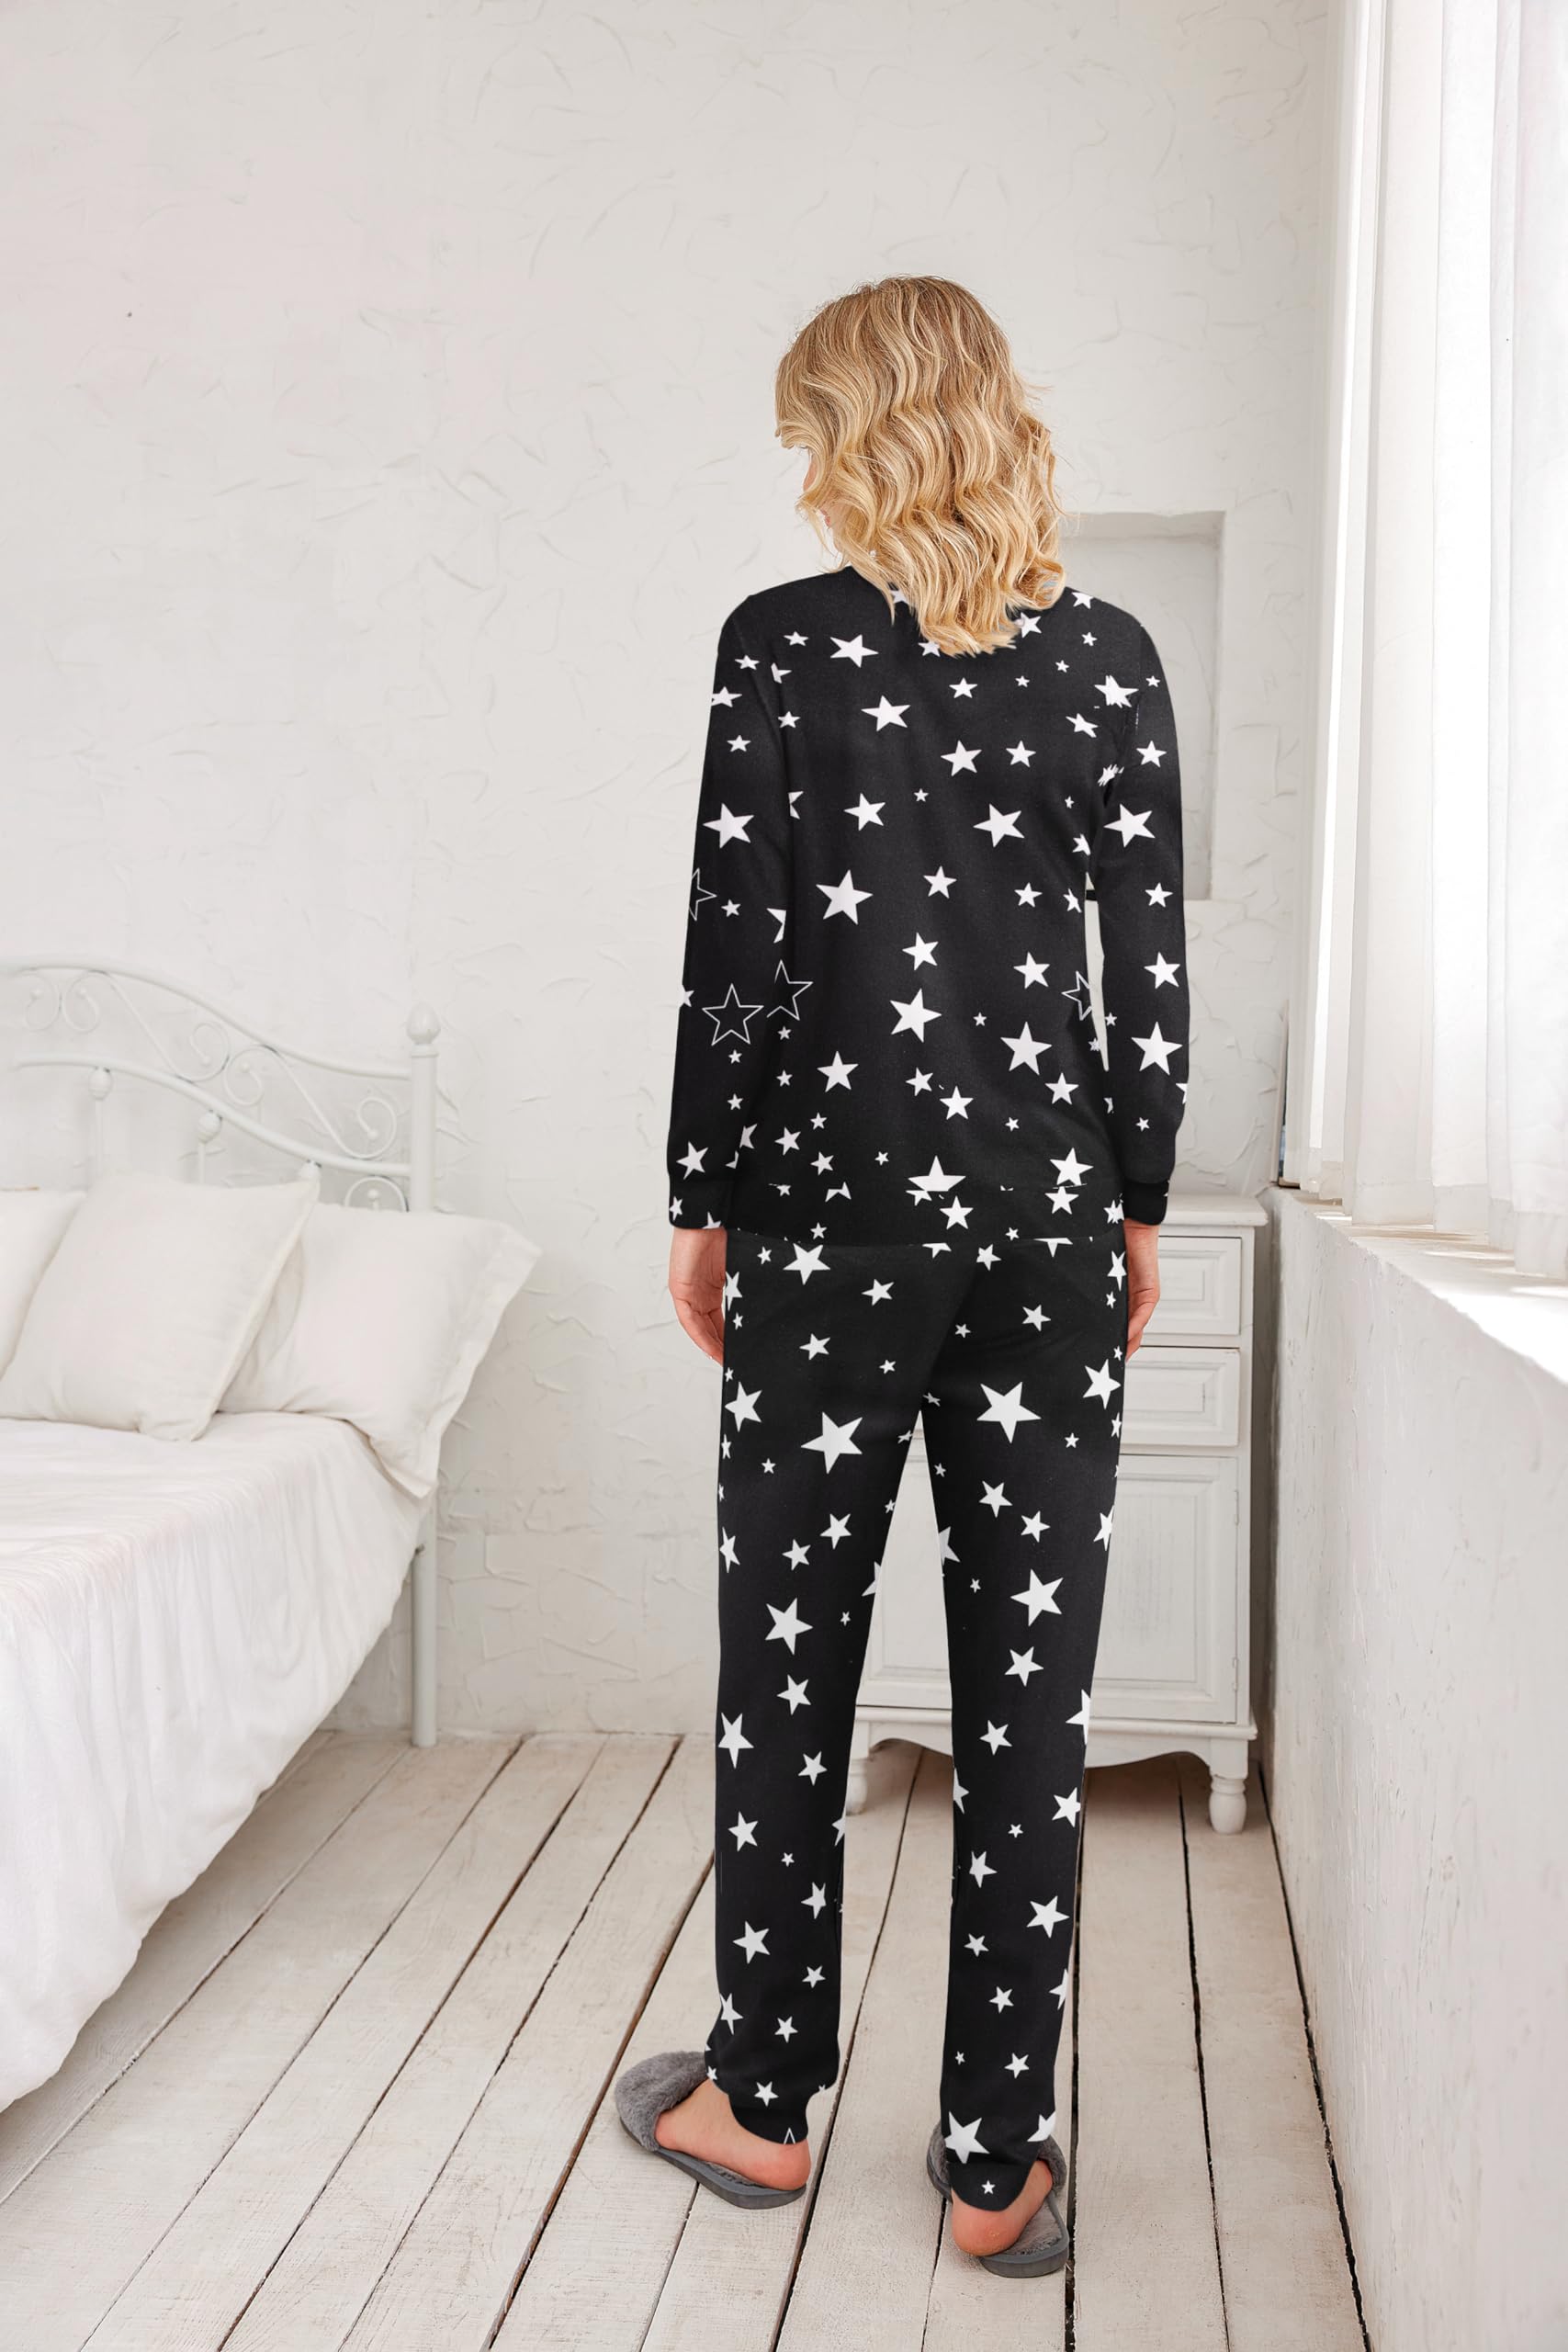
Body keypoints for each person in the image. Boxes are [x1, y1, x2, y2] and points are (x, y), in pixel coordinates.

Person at [615, 275, 1188, 2278]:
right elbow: (1146, 969)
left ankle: (762, 2104)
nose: (801, 473)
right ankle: (994, 2164)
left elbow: (739, 948)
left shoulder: (777, 645)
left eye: (811, 432)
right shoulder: (1108, 656)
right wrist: (1134, 1201)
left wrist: (701, 1194)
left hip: (825, 1223)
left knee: (787, 1674)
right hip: (1045, 1228)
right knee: (1032, 1698)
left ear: (862, 432)